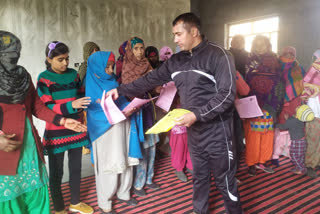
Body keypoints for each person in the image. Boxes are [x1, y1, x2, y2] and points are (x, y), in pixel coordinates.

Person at [107, 12, 242, 214]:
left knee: (225, 180)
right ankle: (200, 210)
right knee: (200, 176)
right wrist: (121, 90)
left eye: (179, 34)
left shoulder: (218, 55)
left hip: (218, 131)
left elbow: (227, 95)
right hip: (194, 131)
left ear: (194, 31)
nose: (175, 39)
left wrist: (197, 115)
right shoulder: (176, 61)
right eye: (174, 34)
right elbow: (149, 80)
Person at [0, 31, 87, 214]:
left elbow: (37, 107)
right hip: (5, 148)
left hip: (29, 145)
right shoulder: (43, 77)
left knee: (35, 193)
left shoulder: (22, 77)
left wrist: (63, 120)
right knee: (11, 199)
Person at [37, 41, 93, 214]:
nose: (65, 63)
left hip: (76, 129)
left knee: (75, 169)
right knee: (56, 173)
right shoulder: (43, 78)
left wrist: (88, 102)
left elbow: (82, 95)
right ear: (49, 58)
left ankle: (75, 202)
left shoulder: (74, 75)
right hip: (56, 132)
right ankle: (60, 208)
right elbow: (47, 106)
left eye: (67, 59)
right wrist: (72, 105)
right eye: (60, 59)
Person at [86, 51, 144, 213]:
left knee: (125, 160)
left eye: (112, 67)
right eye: (108, 67)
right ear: (97, 67)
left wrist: (130, 108)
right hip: (106, 133)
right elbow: (95, 111)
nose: (112, 71)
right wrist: (120, 112)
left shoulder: (113, 82)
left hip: (122, 127)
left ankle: (124, 192)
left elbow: (122, 101)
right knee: (109, 164)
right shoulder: (92, 85)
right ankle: (105, 201)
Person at [121, 37, 160, 197]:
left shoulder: (147, 64)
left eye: (141, 48)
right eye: (136, 48)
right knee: (142, 147)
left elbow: (153, 83)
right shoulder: (127, 67)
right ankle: (138, 184)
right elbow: (127, 90)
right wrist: (146, 86)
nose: (139, 51)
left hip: (149, 108)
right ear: (130, 50)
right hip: (136, 111)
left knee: (152, 145)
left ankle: (149, 179)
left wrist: (158, 87)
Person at [244, 35, 285, 176]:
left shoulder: (275, 60)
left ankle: (262, 161)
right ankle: (251, 163)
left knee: (267, 133)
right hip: (254, 101)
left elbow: (279, 80)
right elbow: (248, 79)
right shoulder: (250, 60)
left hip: (271, 101)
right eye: (257, 44)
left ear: (268, 45)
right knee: (253, 135)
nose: (260, 47)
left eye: (263, 44)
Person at [272, 46, 305, 167]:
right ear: (282, 53)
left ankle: (293, 155)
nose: (289, 55)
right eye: (287, 53)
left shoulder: (298, 68)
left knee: (294, 132)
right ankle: (275, 155)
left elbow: (301, 86)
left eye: (292, 53)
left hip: (295, 103)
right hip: (280, 102)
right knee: (282, 131)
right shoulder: (276, 66)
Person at [229, 35, 250, 169]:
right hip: (234, 101)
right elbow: (245, 90)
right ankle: (234, 165)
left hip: (218, 108)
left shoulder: (215, 68)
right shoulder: (235, 71)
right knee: (236, 132)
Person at [276, 105, 314, 174]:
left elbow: (284, 126)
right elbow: (294, 124)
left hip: (296, 142)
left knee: (294, 155)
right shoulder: (302, 120)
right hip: (303, 141)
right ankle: (299, 168)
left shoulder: (291, 120)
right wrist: (288, 119)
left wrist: (275, 125)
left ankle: (302, 169)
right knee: (301, 156)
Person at [78, 41, 100, 155]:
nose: (95, 53)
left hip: (100, 103)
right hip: (89, 104)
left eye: (97, 50)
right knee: (91, 130)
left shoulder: (101, 66)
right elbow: (81, 87)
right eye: (92, 51)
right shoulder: (84, 68)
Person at [302, 49, 320, 178]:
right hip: (315, 109)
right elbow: (304, 84)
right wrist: (314, 89)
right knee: (313, 137)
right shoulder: (314, 68)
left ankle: (316, 161)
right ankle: (309, 165)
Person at [169, 96, 193, 182]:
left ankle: (190, 166)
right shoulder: (171, 92)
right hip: (178, 128)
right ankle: (178, 169)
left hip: (191, 125)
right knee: (179, 149)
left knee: (191, 147)